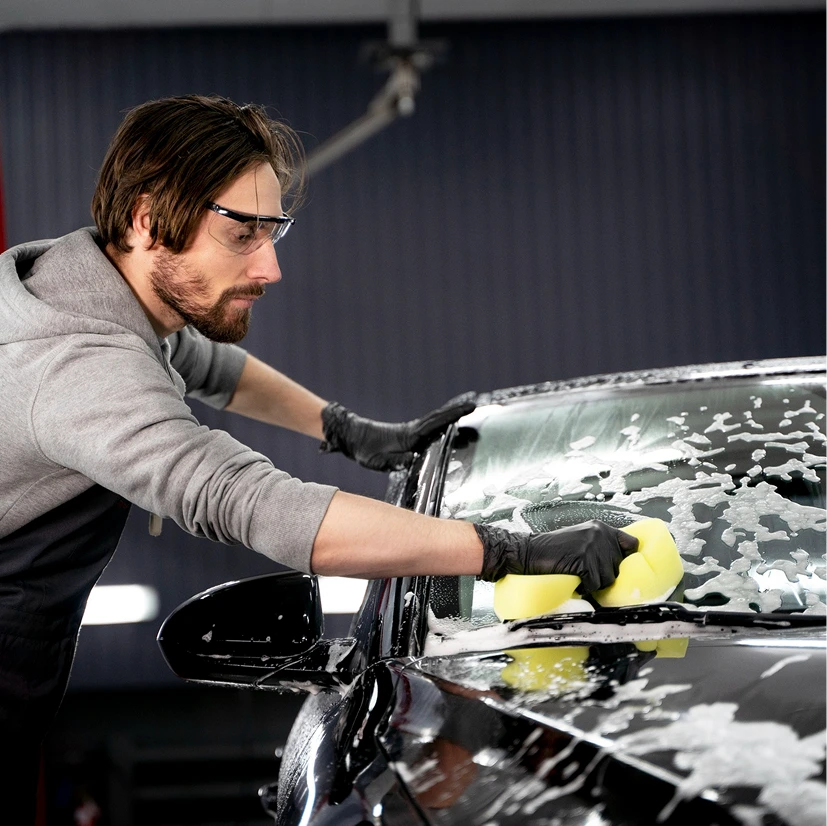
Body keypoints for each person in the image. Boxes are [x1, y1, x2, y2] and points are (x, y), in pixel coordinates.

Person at [0, 94, 637, 820]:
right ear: (147, 219)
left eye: (273, 231)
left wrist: (345, 429)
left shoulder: (85, 283)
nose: (270, 267)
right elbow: (242, 500)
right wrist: (507, 552)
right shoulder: (75, 363)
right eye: (241, 233)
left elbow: (199, 361)